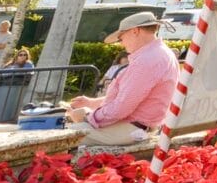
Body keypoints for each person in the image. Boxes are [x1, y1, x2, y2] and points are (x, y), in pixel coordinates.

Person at [66, 11, 178, 147]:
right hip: (138, 128)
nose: (121, 44)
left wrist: (88, 118)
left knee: (58, 137)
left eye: (121, 38)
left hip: (130, 129)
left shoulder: (147, 60)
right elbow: (130, 97)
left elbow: (122, 107)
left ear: (135, 31)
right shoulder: (160, 53)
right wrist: (91, 103)